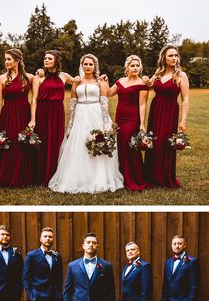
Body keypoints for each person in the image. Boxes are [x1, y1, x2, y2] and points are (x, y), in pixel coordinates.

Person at [48, 53, 124, 193]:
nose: (88, 66)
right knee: (79, 146)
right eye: (85, 64)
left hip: (96, 113)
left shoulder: (100, 81)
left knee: (98, 143)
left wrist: (106, 123)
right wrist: (70, 126)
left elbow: (104, 102)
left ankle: (98, 178)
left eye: (90, 64)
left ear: (95, 66)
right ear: (82, 65)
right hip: (80, 115)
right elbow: (72, 104)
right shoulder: (77, 82)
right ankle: (78, 178)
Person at [28, 50, 80, 185]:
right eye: (45, 58)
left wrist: (98, 79)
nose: (46, 60)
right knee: (42, 142)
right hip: (42, 111)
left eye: (49, 58)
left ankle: (55, 174)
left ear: (56, 61)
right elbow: (33, 99)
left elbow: (79, 81)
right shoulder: (38, 77)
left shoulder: (64, 76)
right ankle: (39, 175)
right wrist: (33, 119)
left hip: (57, 112)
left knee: (56, 141)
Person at [144, 44, 189, 188]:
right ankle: (151, 176)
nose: (174, 58)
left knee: (165, 142)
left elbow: (185, 99)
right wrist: (144, 79)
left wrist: (183, 120)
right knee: (154, 142)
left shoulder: (181, 75)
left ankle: (164, 176)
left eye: (176, 55)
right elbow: (147, 86)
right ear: (163, 57)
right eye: (171, 55)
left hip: (170, 111)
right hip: (156, 110)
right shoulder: (158, 73)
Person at [0, 48, 35, 188]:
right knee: (8, 145)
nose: (6, 62)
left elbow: (45, 86)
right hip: (8, 114)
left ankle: (23, 177)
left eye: (9, 59)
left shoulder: (29, 77)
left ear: (17, 60)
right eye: (5, 59)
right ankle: (7, 176)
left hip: (24, 113)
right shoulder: (1, 79)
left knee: (22, 144)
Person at [107, 55, 149, 190]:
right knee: (120, 145)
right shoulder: (120, 81)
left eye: (138, 66)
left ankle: (135, 177)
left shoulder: (142, 84)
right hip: (120, 117)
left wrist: (142, 123)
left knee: (130, 146)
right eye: (133, 65)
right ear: (127, 67)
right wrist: (105, 81)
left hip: (132, 118)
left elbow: (142, 104)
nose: (136, 68)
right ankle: (121, 175)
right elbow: (108, 93)